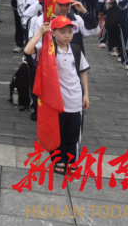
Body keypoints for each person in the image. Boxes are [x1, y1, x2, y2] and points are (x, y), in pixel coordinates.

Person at [24, 16, 90, 173]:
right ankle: (59, 159)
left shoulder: (76, 50)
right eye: (63, 32)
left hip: (75, 99)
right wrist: (40, 32)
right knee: (57, 131)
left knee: (74, 132)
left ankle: (72, 159)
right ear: (53, 33)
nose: (67, 35)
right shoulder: (47, 49)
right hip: (56, 101)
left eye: (70, 31)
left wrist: (86, 94)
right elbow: (28, 50)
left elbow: (83, 73)